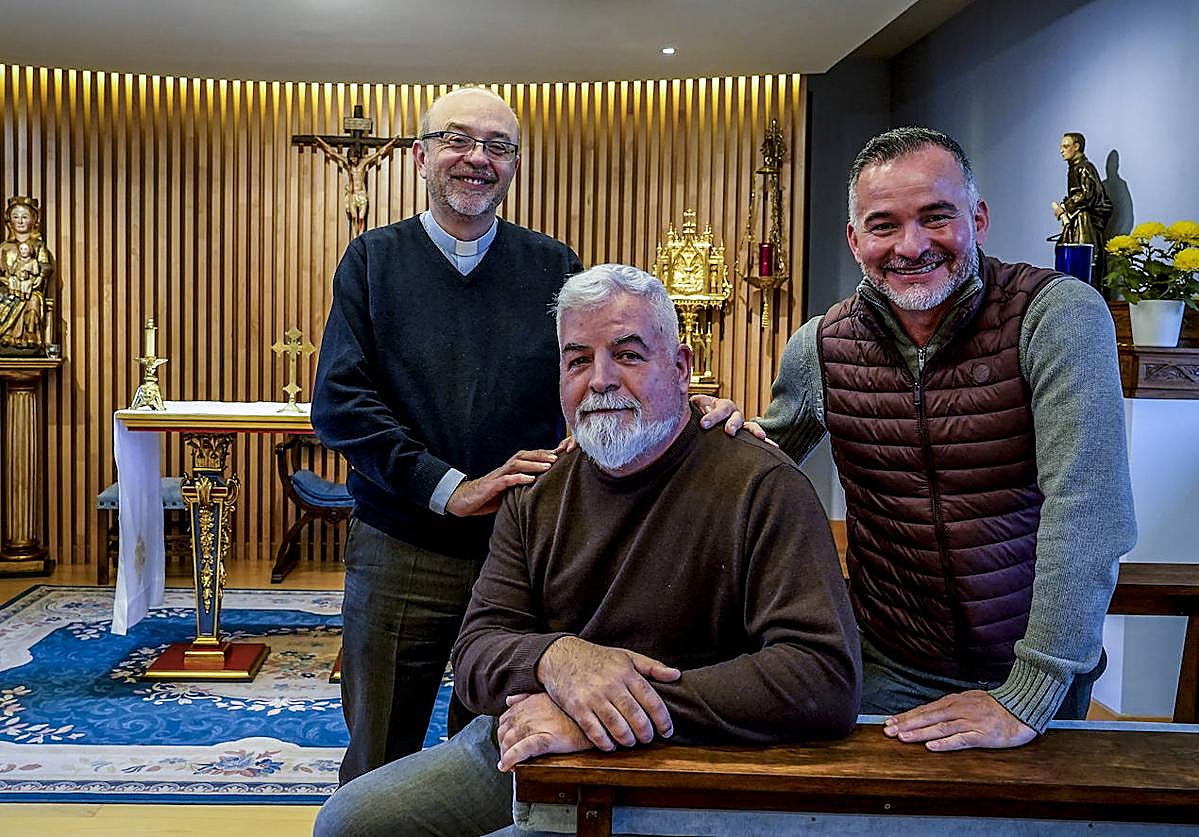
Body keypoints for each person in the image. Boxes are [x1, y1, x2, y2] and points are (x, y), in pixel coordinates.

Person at [313, 264, 861, 837]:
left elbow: (821, 676)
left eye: (627, 355)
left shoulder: (762, 486)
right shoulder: (538, 492)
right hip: (537, 740)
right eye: (578, 360)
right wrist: (558, 659)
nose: (599, 380)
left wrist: (610, 710)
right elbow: (476, 653)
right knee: (350, 822)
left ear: (680, 368)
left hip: (691, 749)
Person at [699, 126, 1136, 752]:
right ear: (855, 240)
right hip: (888, 663)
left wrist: (1028, 694)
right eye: (883, 226)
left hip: (1033, 666)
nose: (912, 245)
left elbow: (1088, 508)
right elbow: (757, 464)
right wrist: (677, 431)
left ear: (978, 219)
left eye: (937, 217)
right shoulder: (822, 345)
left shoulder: (1057, 314)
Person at [311, 86, 582, 784]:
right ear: (419, 155)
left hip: (522, 547)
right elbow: (339, 403)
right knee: (380, 750)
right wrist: (451, 488)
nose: (476, 159)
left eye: (497, 146)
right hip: (403, 543)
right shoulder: (372, 260)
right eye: (457, 141)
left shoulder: (555, 268)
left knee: (501, 755)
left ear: (515, 165)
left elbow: (592, 386)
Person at [312, 134, 406, 235]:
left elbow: (379, 153)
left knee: (361, 218)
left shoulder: (364, 162)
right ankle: (354, 237)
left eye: (355, 158)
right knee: (354, 217)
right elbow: (332, 152)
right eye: (351, 158)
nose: (353, 160)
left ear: (358, 156)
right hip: (352, 194)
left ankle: (360, 236)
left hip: (361, 193)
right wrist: (320, 141)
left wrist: (392, 142)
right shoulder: (347, 163)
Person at [1051, 131, 1112, 279]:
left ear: (1076, 146)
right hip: (1076, 220)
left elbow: (1086, 194)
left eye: (1066, 146)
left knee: (1082, 259)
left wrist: (1064, 207)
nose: (1061, 151)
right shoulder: (1074, 168)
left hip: (1084, 223)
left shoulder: (1084, 167)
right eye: (1061, 147)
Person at [0, 196, 54, 351]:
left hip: (30, 290)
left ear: (33, 220)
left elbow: (46, 266)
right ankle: (7, 336)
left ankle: (29, 339)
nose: (20, 221)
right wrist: (7, 281)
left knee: (33, 303)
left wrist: (40, 277)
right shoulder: (4, 247)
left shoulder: (37, 245)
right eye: (16, 217)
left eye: (25, 217)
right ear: (10, 220)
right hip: (7, 289)